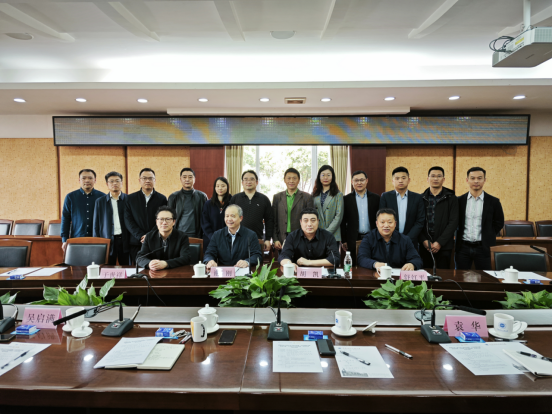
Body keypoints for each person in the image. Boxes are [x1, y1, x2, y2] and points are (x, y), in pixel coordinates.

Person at [455, 167, 505, 270]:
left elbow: (499, 222)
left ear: (484, 180)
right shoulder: (459, 201)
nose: (476, 181)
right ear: (467, 180)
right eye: (472, 178)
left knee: (485, 277)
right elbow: (454, 221)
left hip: (484, 248)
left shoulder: (493, 202)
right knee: (460, 276)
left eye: (479, 178)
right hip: (463, 248)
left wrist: (488, 234)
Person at [357, 208, 423, 271]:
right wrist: (375, 264)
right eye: (382, 222)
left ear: (395, 224)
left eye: (390, 222)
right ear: (377, 224)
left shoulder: (405, 240)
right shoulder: (368, 238)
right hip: (375, 275)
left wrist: (412, 264)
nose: (386, 225)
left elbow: (417, 259)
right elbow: (361, 258)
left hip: (398, 277)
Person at [125, 168, 168, 263]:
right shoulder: (130, 198)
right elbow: (128, 220)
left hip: (156, 241)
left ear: (155, 180)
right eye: (144, 178)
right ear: (139, 180)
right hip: (136, 242)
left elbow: (163, 220)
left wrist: (149, 235)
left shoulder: (162, 199)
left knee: (155, 267)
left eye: (150, 178)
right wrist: (140, 236)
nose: (147, 181)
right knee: (137, 268)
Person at [419, 167, 458, 270]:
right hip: (425, 244)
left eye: (439, 176)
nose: (435, 179)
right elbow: (418, 221)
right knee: (425, 274)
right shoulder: (421, 198)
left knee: (444, 274)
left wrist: (440, 242)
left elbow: (453, 222)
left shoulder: (451, 198)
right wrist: (423, 240)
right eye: (433, 176)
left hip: (444, 244)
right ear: (428, 179)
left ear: (443, 179)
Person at [278, 208, 340, 273]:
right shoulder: (292, 236)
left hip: (322, 274)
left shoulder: (328, 236)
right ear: (300, 222)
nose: (309, 224)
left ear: (318, 221)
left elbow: (335, 259)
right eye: (305, 221)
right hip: (298, 274)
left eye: (313, 220)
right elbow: (283, 256)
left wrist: (308, 262)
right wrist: (289, 264)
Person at [203, 204, 263, 271]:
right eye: (227, 216)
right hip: (223, 272)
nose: (229, 219)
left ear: (241, 218)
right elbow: (209, 253)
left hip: (242, 272)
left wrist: (247, 262)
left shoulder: (251, 235)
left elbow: (257, 255)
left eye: (232, 216)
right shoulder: (217, 235)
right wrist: (210, 260)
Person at [340, 170, 380, 265]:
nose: (359, 183)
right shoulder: (346, 199)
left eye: (362, 180)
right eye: (356, 180)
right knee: (354, 265)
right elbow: (342, 221)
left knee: (371, 263)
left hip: (372, 236)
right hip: (353, 238)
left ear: (367, 181)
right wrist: (344, 240)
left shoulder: (376, 198)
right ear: (352, 182)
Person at [61, 169, 105, 252]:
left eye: (90, 178)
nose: (87, 180)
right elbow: (65, 219)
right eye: (84, 178)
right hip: (77, 238)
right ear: (79, 180)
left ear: (95, 180)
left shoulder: (102, 197)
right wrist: (64, 240)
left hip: (98, 239)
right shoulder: (70, 197)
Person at [379, 166, 424, 248]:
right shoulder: (385, 197)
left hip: (411, 242)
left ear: (409, 180)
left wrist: (407, 239)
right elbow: (382, 219)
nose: (400, 181)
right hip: (390, 241)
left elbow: (420, 221)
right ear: (393, 181)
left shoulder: (417, 198)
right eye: (397, 178)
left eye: (403, 178)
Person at [229, 170, 274, 251]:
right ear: (242, 183)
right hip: (237, 240)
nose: (248, 182)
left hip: (257, 239)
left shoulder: (264, 199)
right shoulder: (235, 198)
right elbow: (229, 219)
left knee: (256, 259)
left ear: (257, 182)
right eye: (246, 179)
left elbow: (269, 220)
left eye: (252, 179)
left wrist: (267, 239)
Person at [93, 171, 131, 265]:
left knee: (127, 267)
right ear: (107, 184)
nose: (115, 183)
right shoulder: (100, 201)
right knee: (107, 267)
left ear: (122, 183)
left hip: (125, 240)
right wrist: (96, 241)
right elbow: (96, 223)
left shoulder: (129, 199)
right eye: (111, 181)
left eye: (117, 181)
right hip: (107, 239)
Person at [272, 168, 314, 251]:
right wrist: (275, 239)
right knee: (283, 259)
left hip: (301, 237)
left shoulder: (307, 197)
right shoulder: (277, 197)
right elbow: (273, 220)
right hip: (282, 238)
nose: (291, 181)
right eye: (289, 178)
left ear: (298, 180)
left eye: (294, 178)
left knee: (301, 259)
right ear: (284, 180)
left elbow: (310, 220)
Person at [136, 206, 191, 270]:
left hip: (175, 272)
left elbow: (186, 258)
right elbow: (140, 257)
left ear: (174, 222)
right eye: (161, 219)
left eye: (168, 219)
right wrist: (149, 263)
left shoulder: (182, 237)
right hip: (154, 273)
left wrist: (166, 263)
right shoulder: (149, 237)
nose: (164, 222)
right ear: (156, 222)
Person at [168, 167, 207, 239]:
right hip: (178, 235)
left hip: (197, 235)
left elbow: (206, 216)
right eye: (184, 177)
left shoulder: (202, 196)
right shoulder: (173, 197)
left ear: (194, 179)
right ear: (180, 179)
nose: (187, 179)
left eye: (190, 177)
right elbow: (169, 218)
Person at [312, 165, 344, 243]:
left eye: (328, 175)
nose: (325, 178)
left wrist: (327, 232)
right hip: (316, 233)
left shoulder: (338, 194)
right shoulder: (314, 194)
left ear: (332, 177)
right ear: (319, 177)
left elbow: (339, 216)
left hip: (333, 235)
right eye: (323, 175)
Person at [202, 176, 232, 252]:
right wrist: (212, 237)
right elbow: (204, 222)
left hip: (228, 240)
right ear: (215, 188)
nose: (220, 188)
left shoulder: (232, 203)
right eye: (217, 186)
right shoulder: (208, 204)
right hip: (210, 240)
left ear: (227, 187)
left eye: (223, 186)